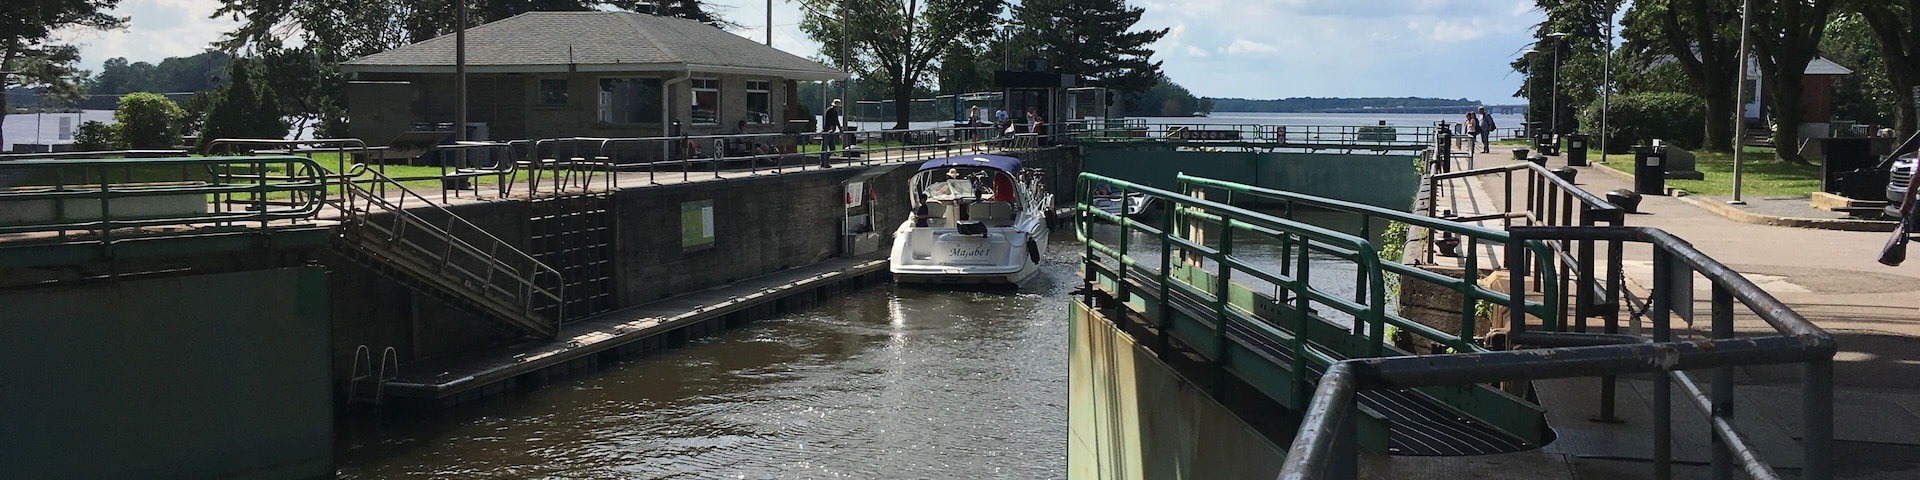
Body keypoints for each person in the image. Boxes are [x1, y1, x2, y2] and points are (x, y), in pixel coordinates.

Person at [820, 99, 843, 168]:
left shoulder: (835, 112)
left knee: (832, 148)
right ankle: (823, 163)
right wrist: (830, 128)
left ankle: (825, 160)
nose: (838, 108)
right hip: (827, 131)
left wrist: (840, 128)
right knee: (824, 148)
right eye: (838, 106)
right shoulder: (829, 111)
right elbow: (829, 120)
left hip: (832, 132)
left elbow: (836, 121)